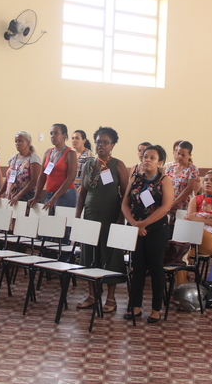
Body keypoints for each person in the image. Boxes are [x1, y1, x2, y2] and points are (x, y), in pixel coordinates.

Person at [75, 127, 129, 313]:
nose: (101, 145)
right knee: (89, 254)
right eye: (98, 142)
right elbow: (82, 193)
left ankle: (111, 299)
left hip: (110, 217)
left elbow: (125, 195)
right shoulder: (88, 165)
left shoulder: (118, 165)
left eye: (105, 142)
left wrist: (121, 219)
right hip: (90, 216)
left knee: (110, 255)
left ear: (113, 145)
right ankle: (92, 295)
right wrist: (77, 217)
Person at [122, 145, 174, 324]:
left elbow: (166, 207)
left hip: (156, 230)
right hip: (137, 230)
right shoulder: (135, 179)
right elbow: (125, 204)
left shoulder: (163, 180)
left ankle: (156, 309)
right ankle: (135, 307)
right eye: (145, 157)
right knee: (137, 268)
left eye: (152, 158)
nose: (147, 160)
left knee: (156, 269)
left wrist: (144, 223)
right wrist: (135, 224)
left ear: (159, 162)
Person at [179, 171, 212, 286]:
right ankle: (182, 289)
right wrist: (200, 221)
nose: (208, 182)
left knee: (192, 231)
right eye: (206, 180)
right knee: (180, 256)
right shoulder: (196, 199)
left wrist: (199, 220)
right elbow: (190, 219)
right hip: (193, 243)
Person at [28, 123, 77, 212]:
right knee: (49, 223)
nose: (53, 136)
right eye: (51, 133)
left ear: (64, 135)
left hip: (66, 194)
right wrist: (36, 196)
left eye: (56, 133)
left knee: (63, 224)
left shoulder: (70, 153)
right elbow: (42, 176)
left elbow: (71, 178)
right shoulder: (48, 152)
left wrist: (55, 197)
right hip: (50, 194)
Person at [0, 131, 41, 206]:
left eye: (20, 141)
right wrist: (0, 193)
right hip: (11, 197)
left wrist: (19, 195)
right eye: (16, 141)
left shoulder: (33, 158)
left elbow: (34, 180)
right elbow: (8, 179)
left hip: (25, 197)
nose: (18, 143)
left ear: (28, 142)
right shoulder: (13, 159)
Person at [164, 141, 201, 224]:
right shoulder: (169, 167)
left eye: (183, 155)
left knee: (180, 232)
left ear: (189, 156)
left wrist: (173, 203)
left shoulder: (192, 169)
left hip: (183, 206)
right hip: (167, 204)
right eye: (178, 153)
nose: (180, 156)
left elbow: (189, 189)